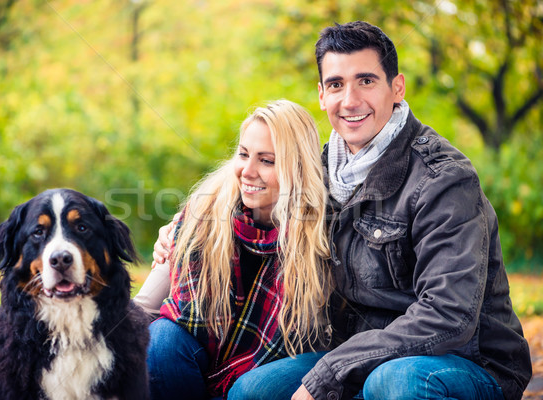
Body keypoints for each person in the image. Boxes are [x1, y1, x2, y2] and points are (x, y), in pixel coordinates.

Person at [153, 22, 532, 400]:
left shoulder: (443, 179)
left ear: (396, 87)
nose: (349, 100)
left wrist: (330, 373)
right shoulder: (317, 172)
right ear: (321, 94)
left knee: (395, 382)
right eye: (336, 84)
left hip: (460, 360)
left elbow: (449, 316)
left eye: (366, 81)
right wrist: (184, 228)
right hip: (355, 354)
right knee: (251, 391)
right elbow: (253, 196)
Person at [142, 99, 334, 400]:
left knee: (248, 390)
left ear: (297, 169)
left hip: (281, 362)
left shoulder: (323, 231)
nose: (248, 171)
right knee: (160, 343)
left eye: (267, 161)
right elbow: (146, 305)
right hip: (208, 355)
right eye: (244, 154)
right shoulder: (204, 215)